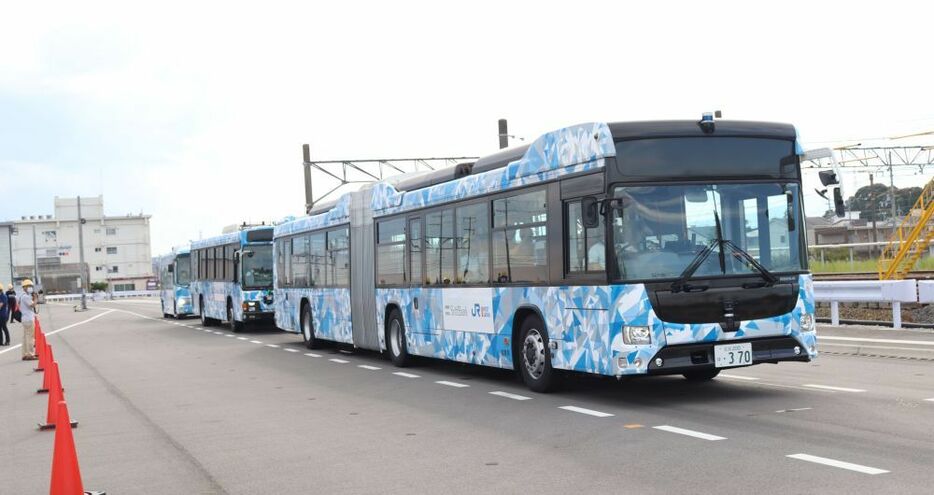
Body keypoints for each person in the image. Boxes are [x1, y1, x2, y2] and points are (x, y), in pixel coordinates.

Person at [18, 279, 38, 360]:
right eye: (30, 286)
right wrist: (36, 298)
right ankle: (30, 354)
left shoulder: (22, 296)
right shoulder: (26, 297)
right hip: (29, 319)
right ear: (25, 287)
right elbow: (32, 305)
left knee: (25, 337)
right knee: (30, 337)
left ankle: (25, 354)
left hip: (25, 318)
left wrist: (33, 297)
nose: (31, 288)